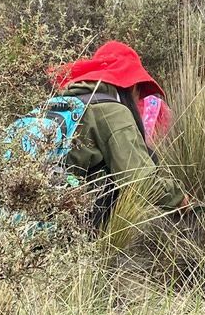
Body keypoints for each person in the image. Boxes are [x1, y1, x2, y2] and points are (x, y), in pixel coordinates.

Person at [51, 41, 189, 226]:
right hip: (70, 229)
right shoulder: (113, 112)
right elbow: (140, 182)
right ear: (131, 85)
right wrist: (179, 198)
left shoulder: (61, 103)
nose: (138, 100)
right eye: (139, 91)